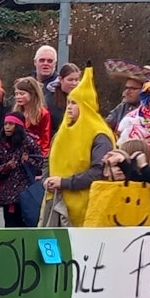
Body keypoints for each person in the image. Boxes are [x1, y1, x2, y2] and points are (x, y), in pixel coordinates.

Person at [45, 68, 116, 227]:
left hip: (85, 209)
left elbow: (98, 172)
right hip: (56, 203)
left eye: (74, 103)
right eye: (69, 102)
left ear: (85, 105)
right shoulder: (63, 131)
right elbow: (48, 161)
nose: (69, 107)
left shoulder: (100, 135)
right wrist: (46, 180)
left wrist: (64, 182)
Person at [0, 112, 46, 228]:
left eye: (11, 124)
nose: (7, 127)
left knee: (28, 226)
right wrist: (6, 167)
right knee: (11, 227)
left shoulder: (29, 143)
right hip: (8, 197)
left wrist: (28, 161)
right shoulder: (0, 144)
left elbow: (42, 165)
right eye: (5, 124)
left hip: (27, 195)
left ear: (18, 126)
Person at [11, 77, 53, 153]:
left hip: (35, 153)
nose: (18, 97)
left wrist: (41, 156)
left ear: (32, 94)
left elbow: (45, 139)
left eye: (22, 94)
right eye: (16, 94)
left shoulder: (43, 113)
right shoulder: (15, 112)